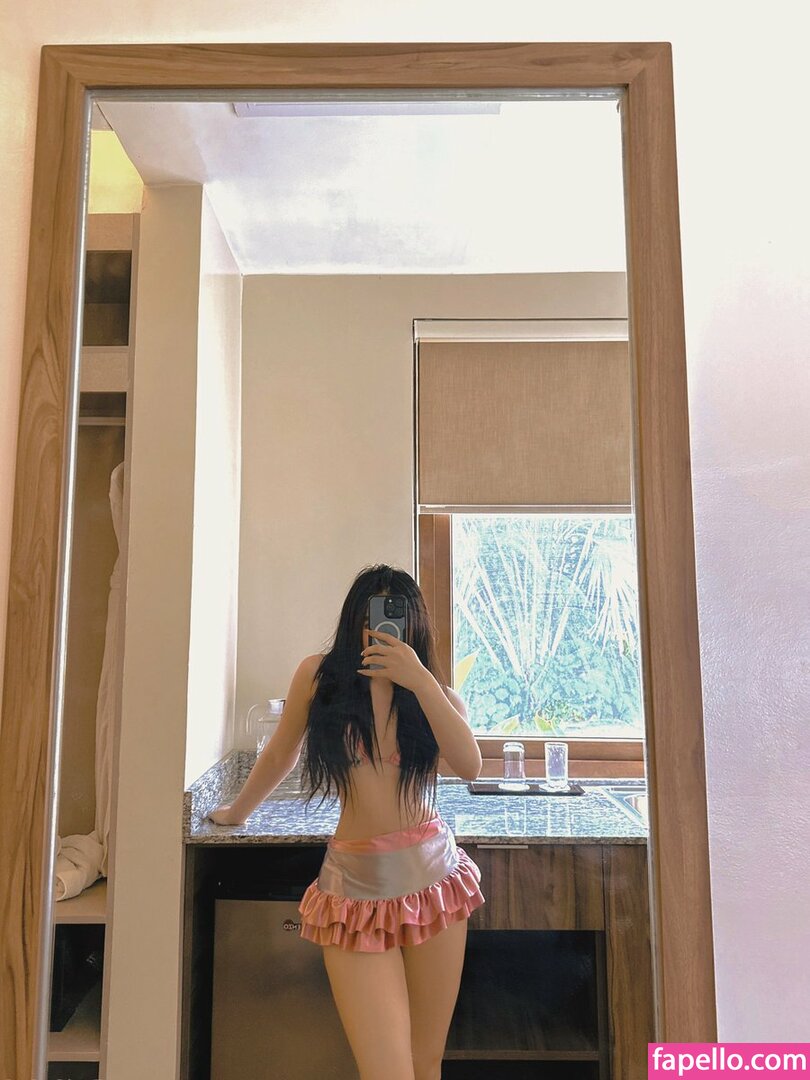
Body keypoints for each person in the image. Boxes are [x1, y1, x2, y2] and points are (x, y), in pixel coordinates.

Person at [208, 563, 485, 1080]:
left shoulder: (437, 696)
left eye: (395, 615)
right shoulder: (319, 678)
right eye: (369, 615)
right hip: (355, 889)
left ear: (415, 624)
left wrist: (420, 680)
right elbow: (281, 753)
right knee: (387, 1071)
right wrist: (237, 812)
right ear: (353, 620)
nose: (380, 628)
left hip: (433, 880)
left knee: (426, 1062)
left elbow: (470, 766)